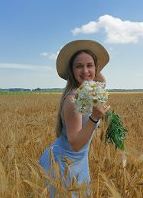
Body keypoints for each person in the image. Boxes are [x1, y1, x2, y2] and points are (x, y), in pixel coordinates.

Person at [39, 39, 110, 197]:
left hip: (78, 162)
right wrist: (94, 117)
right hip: (63, 164)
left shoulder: (90, 91)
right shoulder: (73, 100)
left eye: (89, 65)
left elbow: (102, 81)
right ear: (71, 71)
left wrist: (91, 68)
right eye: (79, 66)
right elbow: (76, 144)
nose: (85, 71)